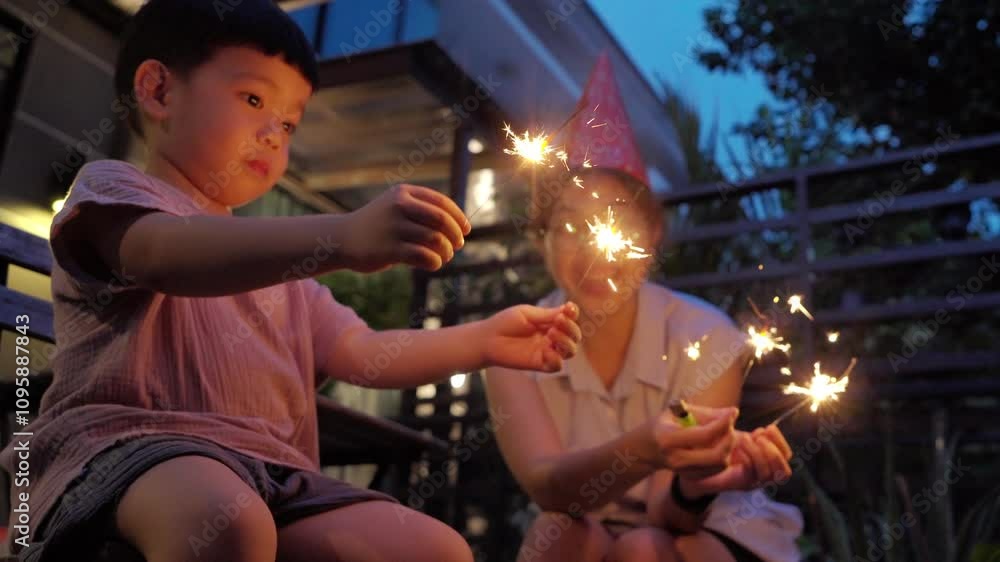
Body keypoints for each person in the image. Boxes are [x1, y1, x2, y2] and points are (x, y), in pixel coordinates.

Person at [0, 2, 584, 561]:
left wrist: (484, 341)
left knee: (436, 548)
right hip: (128, 449)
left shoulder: (284, 277)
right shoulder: (116, 191)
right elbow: (163, 254)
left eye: (289, 122)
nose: (276, 134)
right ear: (158, 90)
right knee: (227, 520)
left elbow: (364, 353)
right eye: (253, 98)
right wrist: (342, 237)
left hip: (278, 477)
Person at [485, 53, 804, 562]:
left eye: (615, 223)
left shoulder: (707, 337)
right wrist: (645, 448)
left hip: (704, 531)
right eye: (569, 225)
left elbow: (669, 516)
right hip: (584, 528)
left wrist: (696, 484)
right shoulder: (513, 346)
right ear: (540, 239)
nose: (594, 249)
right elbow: (548, 489)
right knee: (556, 532)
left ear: (652, 236)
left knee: (644, 550)